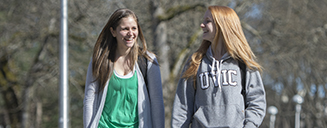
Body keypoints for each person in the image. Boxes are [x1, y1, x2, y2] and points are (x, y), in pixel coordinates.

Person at [171, 6, 266, 128]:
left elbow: (256, 101)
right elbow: (182, 107)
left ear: (222, 25)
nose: (202, 25)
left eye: (208, 21)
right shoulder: (195, 62)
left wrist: (250, 125)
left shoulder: (243, 63)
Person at [83, 8, 164, 128]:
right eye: (125, 29)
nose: (130, 33)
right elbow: (90, 100)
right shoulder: (100, 60)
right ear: (113, 32)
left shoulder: (148, 61)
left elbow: (157, 103)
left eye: (134, 28)